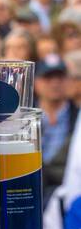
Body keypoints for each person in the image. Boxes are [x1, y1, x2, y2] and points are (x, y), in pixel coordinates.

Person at [37, 54, 78, 201]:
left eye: (60, 77)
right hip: (33, 194)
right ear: (36, 83)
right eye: (48, 78)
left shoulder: (78, 118)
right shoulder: (23, 120)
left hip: (69, 196)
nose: (55, 83)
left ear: (68, 81)